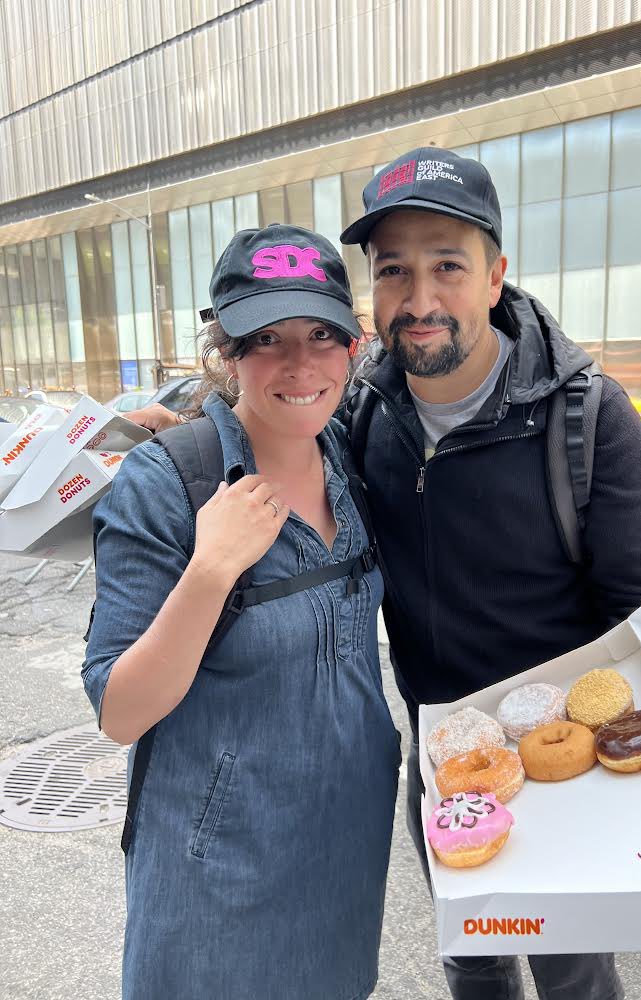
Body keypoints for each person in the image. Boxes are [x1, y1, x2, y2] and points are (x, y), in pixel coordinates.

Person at [335, 148, 641, 1000]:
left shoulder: (587, 416)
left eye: (448, 265)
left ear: (495, 276)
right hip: (443, 756)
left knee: (573, 975)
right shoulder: (364, 410)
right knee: (474, 961)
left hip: (564, 762)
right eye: (393, 271)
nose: (419, 300)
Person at [82, 224, 401, 1000]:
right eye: (266, 339)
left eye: (321, 334)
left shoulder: (351, 457)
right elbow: (120, 711)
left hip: (345, 853)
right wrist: (210, 570)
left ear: (353, 345)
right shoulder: (169, 484)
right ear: (228, 355)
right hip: (216, 879)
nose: (299, 364)